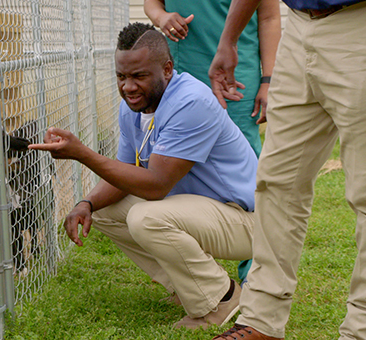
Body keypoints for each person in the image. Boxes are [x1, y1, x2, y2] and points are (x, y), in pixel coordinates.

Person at [29, 22, 258, 329]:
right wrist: (86, 203)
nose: (128, 87)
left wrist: (83, 153)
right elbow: (127, 173)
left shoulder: (190, 102)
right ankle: (189, 287)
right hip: (204, 212)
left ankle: (221, 299)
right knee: (105, 209)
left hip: (250, 220)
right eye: (121, 77)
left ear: (167, 68)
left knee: (146, 217)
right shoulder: (136, 107)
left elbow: (156, 185)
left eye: (139, 76)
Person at [207, 1, 366, 339]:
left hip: (358, 24)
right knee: (277, 182)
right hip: (297, 26)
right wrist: (229, 39)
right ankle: (261, 320)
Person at [144, 0, 281, 284]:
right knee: (178, 174)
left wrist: (269, 80)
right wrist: (162, 16)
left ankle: (255, 277)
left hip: (235, 79)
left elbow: (268, 18)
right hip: (180, 73)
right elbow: (151, 3)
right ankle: (199, 277)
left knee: (248, 180)